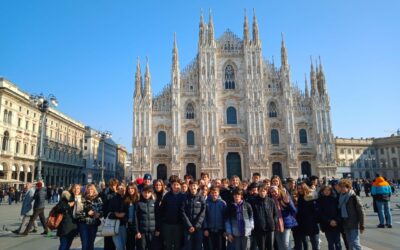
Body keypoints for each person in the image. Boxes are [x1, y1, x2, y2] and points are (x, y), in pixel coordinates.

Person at [159, 176, 185, 250]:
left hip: (179, 224)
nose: (176, 186)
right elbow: (162, 209)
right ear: (171, 185)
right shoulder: (167, 196)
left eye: (177, 185)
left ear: (180, 186)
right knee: (168, 244)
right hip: (167, 224)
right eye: (174, 185)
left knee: (178, 244)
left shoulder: (183, 196)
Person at [338, 179, 365, 250]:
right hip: (345, 223)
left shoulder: (354, 197)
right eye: (341, 187)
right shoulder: (340, 197)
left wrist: (362, 225)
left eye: (344, 187)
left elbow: (361, 212)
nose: (342, 189)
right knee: (349, 243)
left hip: (353, 223)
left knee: (355, 243)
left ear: (349, 187)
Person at [75, 184, 103, 250]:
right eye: (89, 189)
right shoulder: (82, 198)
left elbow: (102, 210)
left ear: (94, 190)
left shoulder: (98, 199)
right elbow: (78, 212)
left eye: (92, 189)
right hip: (83, 223)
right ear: (86, 190)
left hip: (93, 224)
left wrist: (98, 214)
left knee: (91, 243)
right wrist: (87, 213)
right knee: (85, 244)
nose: (90, 190)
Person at [250, 183, 278, 250]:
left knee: (270, 247)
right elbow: (251, 215)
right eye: (260, 191)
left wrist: (274, 223)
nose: (262, 192)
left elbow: (275, 214)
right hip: (259, 229)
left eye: (264, 191)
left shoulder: (271, 201)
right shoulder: (253, 201)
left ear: (266, 191)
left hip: (270, 228)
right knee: (261, 247)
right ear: (258, 191)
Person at [293, 182, 320, 250]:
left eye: (301, 188)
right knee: (304, 242)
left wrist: (313, 219)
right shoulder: (298, 197)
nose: (300, 190)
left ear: (305, 188)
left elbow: (316, 210)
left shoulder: (311, 196)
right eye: (298, 189)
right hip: (302, 223)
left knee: (314, 243)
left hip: (311, 223)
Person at [269, 185, 297, 250]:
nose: (273, 193)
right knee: (280, 245)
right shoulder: (271, 200)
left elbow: (294, 210)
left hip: (286, 223)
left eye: (274, 191)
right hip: (276, 224)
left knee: (286, 244)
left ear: (278, 190)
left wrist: (288, 202)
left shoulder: (284, 197)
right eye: (272, 192)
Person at [181, 180, 206, 250]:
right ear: (189, 187)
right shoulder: (185, 198)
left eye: (194, 185)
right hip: (188, 228)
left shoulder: (201, 198)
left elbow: (203, 213)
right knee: (188, 246)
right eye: (191, 186)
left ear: (197, 187)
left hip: (198, 228)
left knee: (198, 247)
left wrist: (196, 226)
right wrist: (189, 226)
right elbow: (182, 212)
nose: (193, 187)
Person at [318, 186, 342, 250]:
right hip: (326, 224)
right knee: (330, 243)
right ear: (322, 191)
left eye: (328, 190)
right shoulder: (320, 200)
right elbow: (320, 214)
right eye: (325, 190)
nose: (326, 191)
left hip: (336, 223)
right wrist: (329, 221)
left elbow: (339, 211)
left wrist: (336, 220)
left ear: (331, 191)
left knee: (337, 242)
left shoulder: (335, 199)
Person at [136, 185, 157, 250]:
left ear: (151, 193)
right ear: (142, 193)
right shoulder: (139, 203)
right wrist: (137, 231)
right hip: (142, 232)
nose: (146, 194)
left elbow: (158, 217)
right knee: (142, 248)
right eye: (145, 192)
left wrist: (158, 229)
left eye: (148, 192)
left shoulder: (155, 203)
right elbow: (136, 218)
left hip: (152, 232)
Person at [108, 183, 128, 250]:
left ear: (125, 188)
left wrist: (125, 215)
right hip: (115, 225)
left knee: (124, 245)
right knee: (119, 247)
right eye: (118, 189)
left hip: (125, 226)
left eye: (122, 188)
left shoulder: (127, 198)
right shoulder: (113, 199)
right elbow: (109, 213)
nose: (120, 190)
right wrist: (116, 215)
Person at [124, 183, 140, 250]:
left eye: (132, 188)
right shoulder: (126, 199)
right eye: (129, 189)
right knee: (129, 244)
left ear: (135, 189)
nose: (130, 190)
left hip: (138, 224)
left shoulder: (139, 198)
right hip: (129, 224)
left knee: (139, 244)